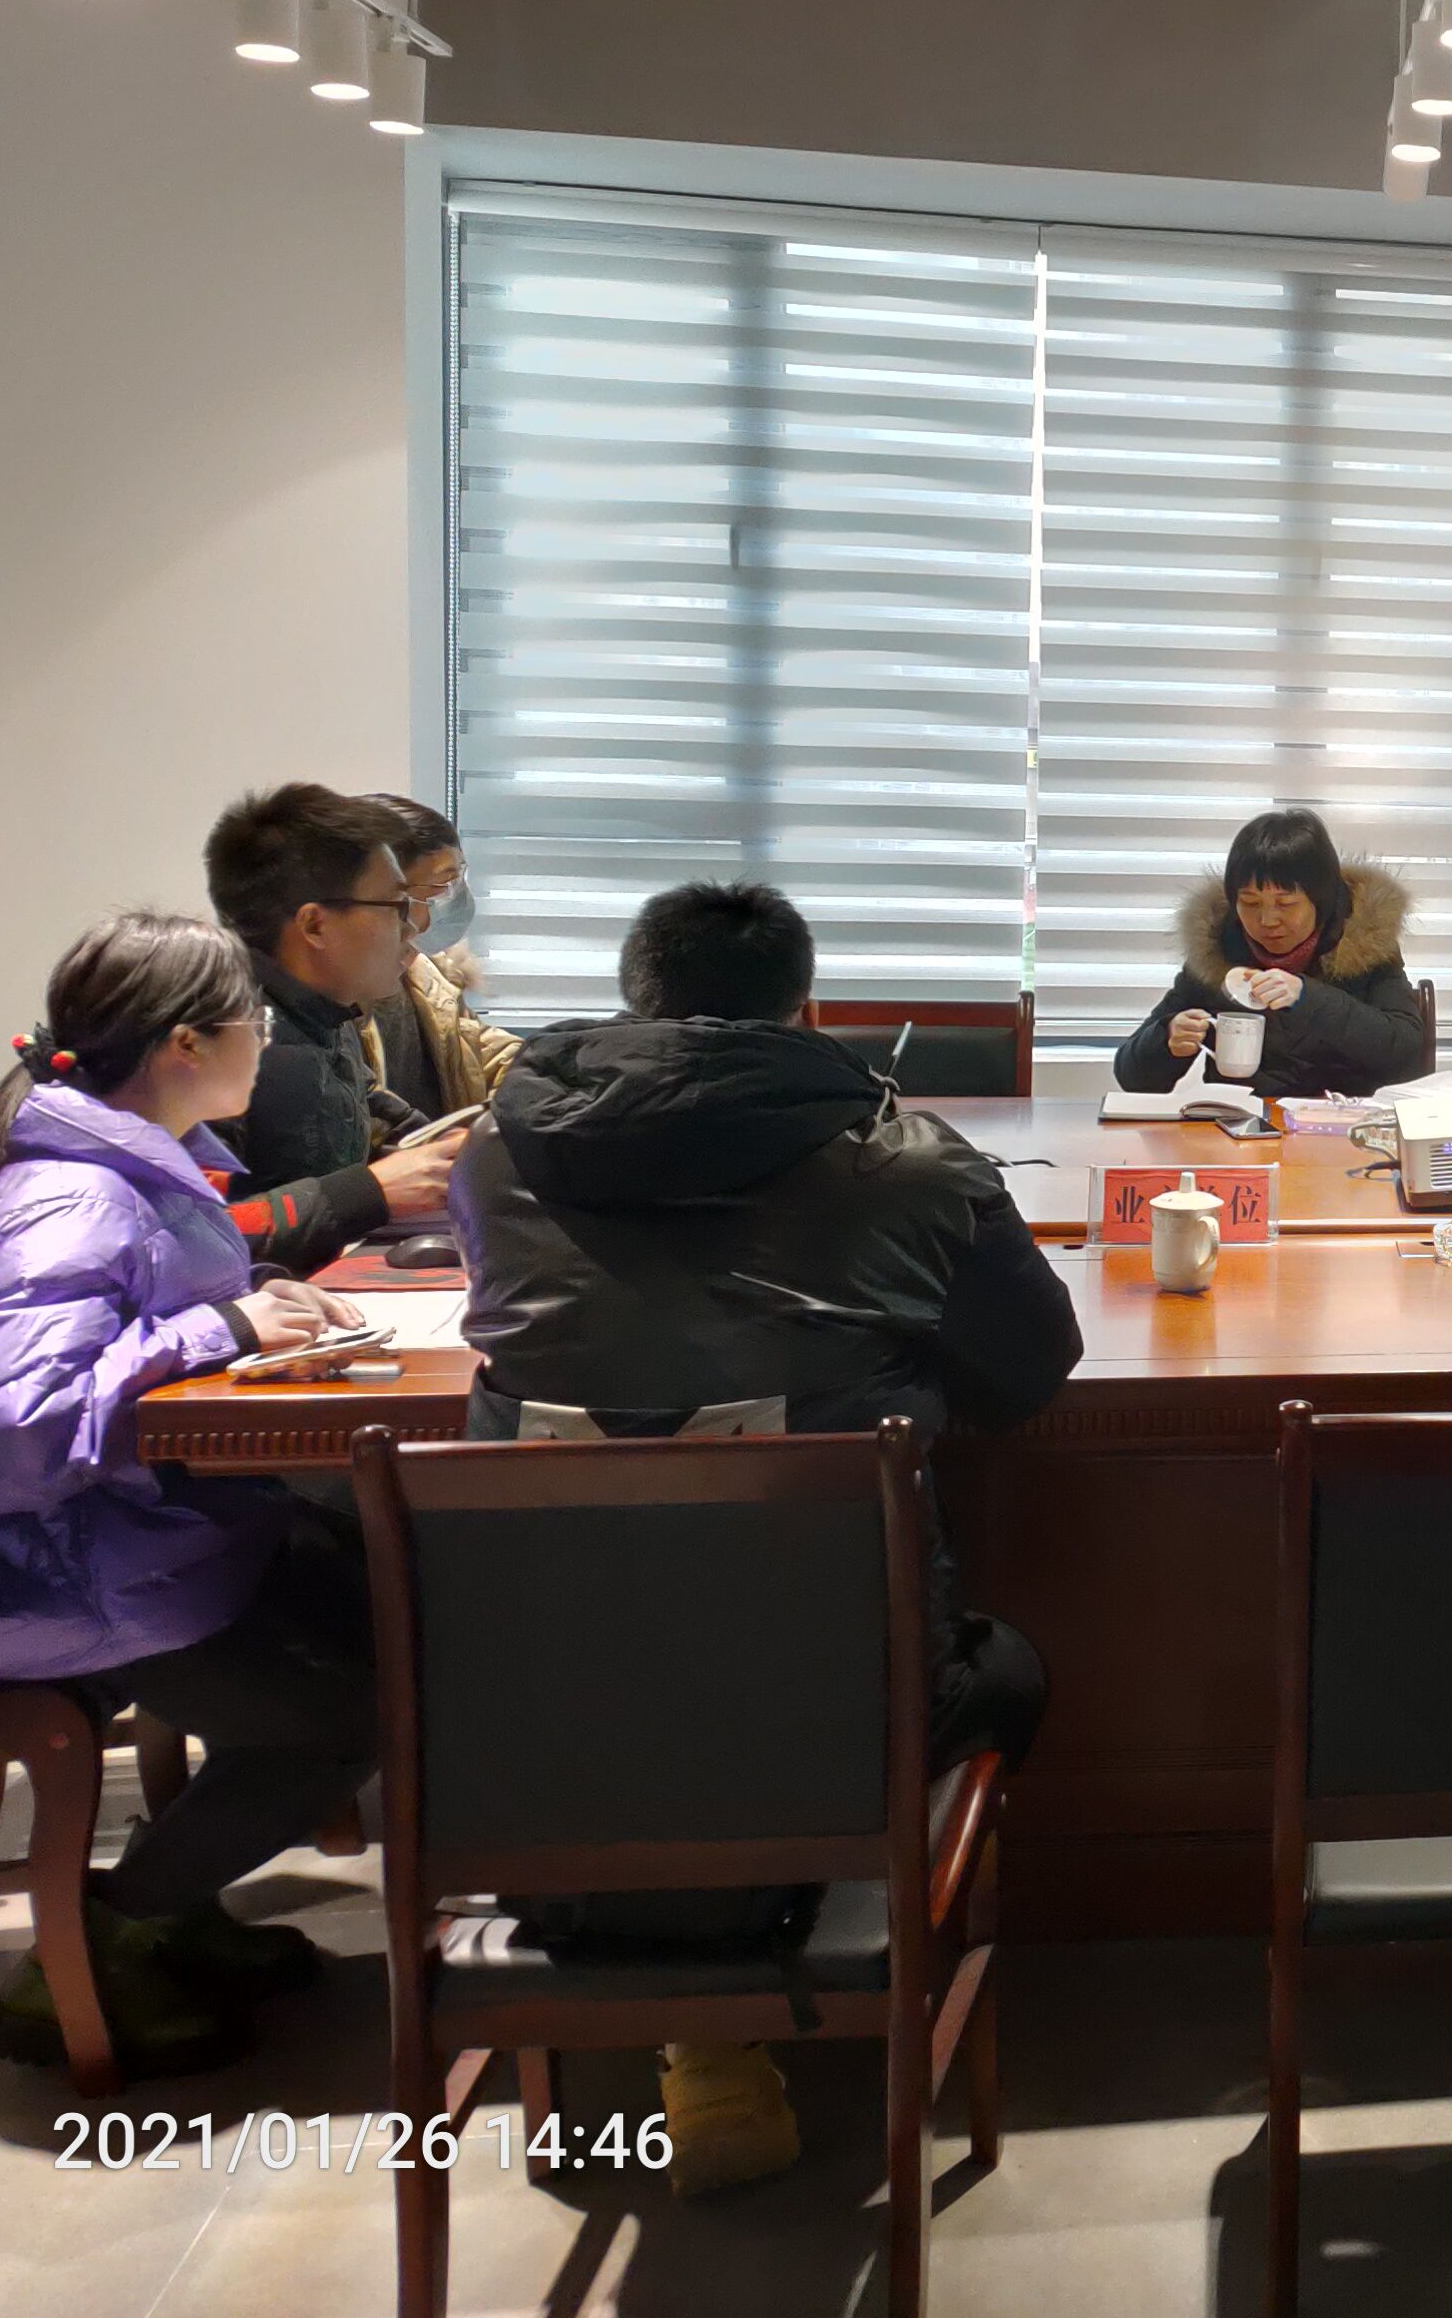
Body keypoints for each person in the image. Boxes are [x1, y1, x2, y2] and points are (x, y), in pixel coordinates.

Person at [452, 880, 1082, 2191]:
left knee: (657, 1678)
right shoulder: (907, 1163)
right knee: (999, 1671)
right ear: (806, 1008)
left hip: (534, 1729)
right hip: (832, 1719)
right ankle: (736, 2003)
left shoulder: (497, 1160)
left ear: (636, 999)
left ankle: (690, 2018)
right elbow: (1028, 1372)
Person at [0, 914, 384, 2081]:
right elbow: (4, 1440)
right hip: (41, 1573)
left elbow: (114, 1327)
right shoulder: (74, 1197)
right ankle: (105, 1941)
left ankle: (173, 1913)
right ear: (184, 1045)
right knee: (354, 1705)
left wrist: (252, 1303)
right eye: (253, 1021)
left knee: (377, 1595)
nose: (266, 1041)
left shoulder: (125, 1171)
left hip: (116, 1540)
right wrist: (221, 1329)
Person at [201, 783, 462, 1273]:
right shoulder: (213, 1040)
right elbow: (196, 1235)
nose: (412, 927)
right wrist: (370, 1192)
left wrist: (459, 1147)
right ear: (315, 926)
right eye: (396, 904)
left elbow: (383, 1115)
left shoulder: (327, 1014)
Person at [1109, 809, 1434, 1098]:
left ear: (1321, 901)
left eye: (1286, 904)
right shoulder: (1217, 951)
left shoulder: (1365, 947)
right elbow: (1130, 1076)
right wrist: (1166, 1040)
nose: (1267, 920)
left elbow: (1406, 1054)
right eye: (1250, 903)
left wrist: (1308, 998)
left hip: (1342, 1130)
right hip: (1243, 1130)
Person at [362, 795, 517, 1122]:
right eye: (444, 884)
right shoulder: (336, 1010)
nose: (456, 896)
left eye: (458, 879)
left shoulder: (432, 981)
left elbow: (481, 1054)